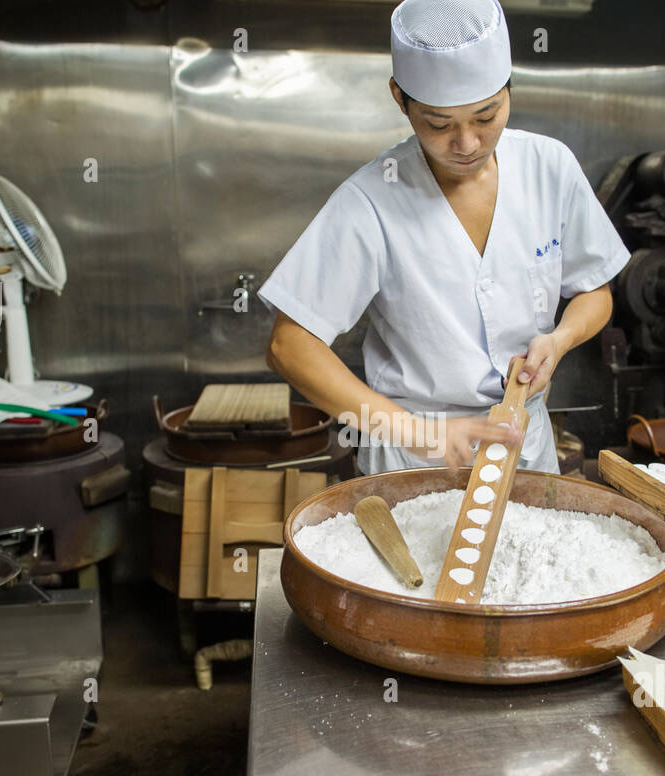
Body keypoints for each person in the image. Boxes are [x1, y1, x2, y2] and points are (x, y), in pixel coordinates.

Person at [261, 0, 629, 474]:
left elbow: (594, 291)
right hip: (411, 459)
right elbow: (288, 347)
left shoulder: (548, 167)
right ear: (400, 98)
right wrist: (421, 434)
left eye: (486, 116)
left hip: (525, 448)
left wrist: (559, 340)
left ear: (507, 91)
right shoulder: (370, 200)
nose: (467, 144)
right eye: (439, 124)